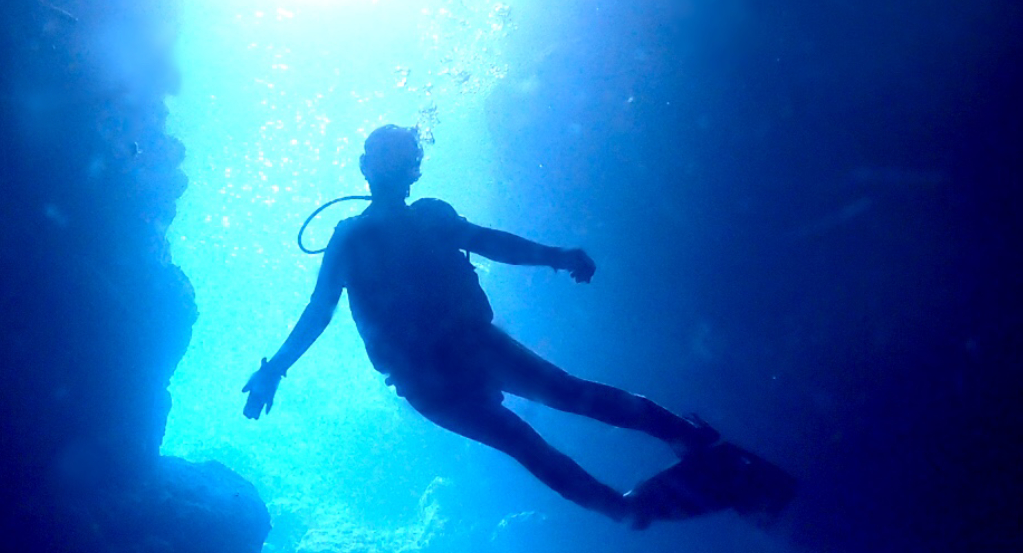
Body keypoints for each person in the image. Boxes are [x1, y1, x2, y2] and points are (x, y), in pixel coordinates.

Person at [242, 124, 725, 527]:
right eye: (388, 158)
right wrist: (275, 369)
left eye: (399, 159)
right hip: (448, 364)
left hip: (439, 368)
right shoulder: (369, 232)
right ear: (375, 167)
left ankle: (634, 495)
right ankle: (654, 473)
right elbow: (320, 310)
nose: (391, 168)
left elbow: (490, 244)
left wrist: (275, 370)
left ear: (398, 169)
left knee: (539, 427)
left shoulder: (388, 226)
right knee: (551, 415)